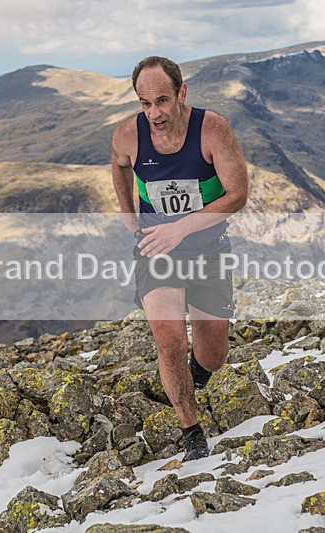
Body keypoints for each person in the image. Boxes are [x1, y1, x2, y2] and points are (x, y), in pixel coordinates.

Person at [110, 56, 249, 461]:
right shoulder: (128, 136)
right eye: (145, 103)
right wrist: (128, 215)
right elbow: (119, 166)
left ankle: (197, 372)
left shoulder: (212, 129)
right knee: (168, 339)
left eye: (162, 101)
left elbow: (237, 194)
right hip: (157, 251)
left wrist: (181, 227)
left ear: (182, 93)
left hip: (207, 251)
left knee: (213, 355)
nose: (154, 113)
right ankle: (191, 432)